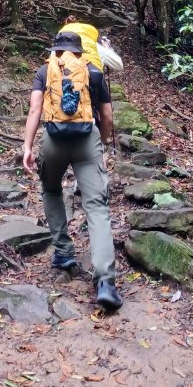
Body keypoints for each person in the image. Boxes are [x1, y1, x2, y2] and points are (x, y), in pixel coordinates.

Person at [22, 30, 122, 311]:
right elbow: (108, 116)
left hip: (54, 141)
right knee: (96, 207)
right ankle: (105, 282)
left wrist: (28, 147)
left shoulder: (44, 71)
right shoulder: (94, 72)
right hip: (86, 141)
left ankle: (64, 253)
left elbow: (35, 110)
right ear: (81, 52)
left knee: (51, 189)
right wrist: (99, 144)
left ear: (55, 50)